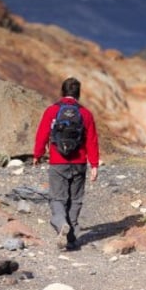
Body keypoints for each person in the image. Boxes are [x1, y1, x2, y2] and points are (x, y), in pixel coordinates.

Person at [33, 77, 99, 250]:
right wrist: (94, 165)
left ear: (62, 92)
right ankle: (71, 239)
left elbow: (42, 133)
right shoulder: (86, 114)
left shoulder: (52, 111)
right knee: (75, 199)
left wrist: (37, 154)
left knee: (57, 198)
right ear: (78, 94)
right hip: (79, 162)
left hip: (57, 161)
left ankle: (61, 223)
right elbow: (92, 141)